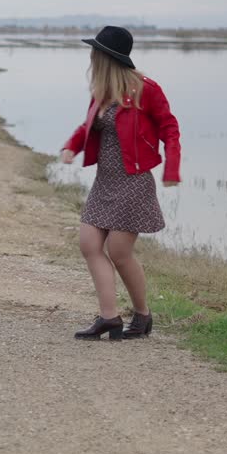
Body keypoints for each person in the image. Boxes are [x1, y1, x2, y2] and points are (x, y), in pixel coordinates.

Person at [59, 25, 181, 340]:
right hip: (105, 181)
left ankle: (142, 316)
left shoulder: (146, 89)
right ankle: (110, 318)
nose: (91, 58)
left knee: (119, 250)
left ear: (107, 57)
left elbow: (170, 127)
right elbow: (88, 125)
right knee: (88, 244)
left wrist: (172, 169)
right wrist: (73, 145)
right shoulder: (102, 90)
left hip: (134, 181)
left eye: (95, 52)